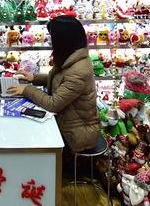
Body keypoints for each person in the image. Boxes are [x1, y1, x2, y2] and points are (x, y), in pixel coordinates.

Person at [7, 14, 100, 152]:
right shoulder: (72, 57)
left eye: (53, 39)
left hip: (77, 135)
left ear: (64, 41)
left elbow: (53, 104)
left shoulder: (79, 71)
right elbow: (60, 81)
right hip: (66, 124)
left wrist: (26, 89)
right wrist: (33, 78)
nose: (51, 43)